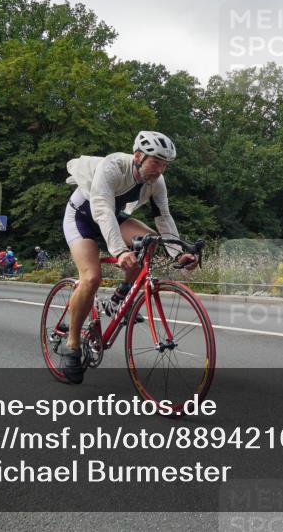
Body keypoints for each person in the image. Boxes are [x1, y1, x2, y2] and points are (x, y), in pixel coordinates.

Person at [59, 131, 198, 383]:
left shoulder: (157, 182)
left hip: (114, 216)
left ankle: (119, 297)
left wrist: (180, 255)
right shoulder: (113, 165)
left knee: (152, 240)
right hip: (82, 216)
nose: (160, 169)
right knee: (91, 279)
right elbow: (101, 208)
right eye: (156, 162)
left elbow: (164, 218)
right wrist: (120, 251)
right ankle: (72, 343)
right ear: (137, 156)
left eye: (165, 164)